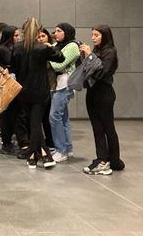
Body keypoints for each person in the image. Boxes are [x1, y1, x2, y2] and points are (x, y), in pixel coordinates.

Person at [11, 18, 64, 169]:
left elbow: (13, 67)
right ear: (38, 31)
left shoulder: (17, 48)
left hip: (23, 91)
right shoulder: (42, 48)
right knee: (35, 124)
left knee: (33, 123)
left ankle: (38, 154)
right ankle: (38, 154)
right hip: (40, 91)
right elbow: (61, 58)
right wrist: (50, 46)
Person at [80, 25, 124, 175]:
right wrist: (85, 56)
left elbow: (101, 73)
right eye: (92, 35)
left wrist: (90, 55)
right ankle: (103, 159)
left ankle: (113, 160)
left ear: (104, 36)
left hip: (104, 94)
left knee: (108, 127)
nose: (93, 38)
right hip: (92, 93)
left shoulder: (110, 51)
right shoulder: (97, 51)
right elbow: (85, 71)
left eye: (96, 35)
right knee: (97, 128)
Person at [49, 23, 80, 163]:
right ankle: (67, 148)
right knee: (63, 118)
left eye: (59, 31)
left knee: (54, 116)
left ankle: (61, 150)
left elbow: (58, 65)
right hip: (58, 84)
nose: (56, 33)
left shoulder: (72, 46)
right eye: (55, 31)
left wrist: (47, 56)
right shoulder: (58, 45)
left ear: (67, 32)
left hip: (65, 84)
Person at [0, 26, 19, 156]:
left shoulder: (10, 48)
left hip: (12, 83)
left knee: (13, 114)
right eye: (15, 36)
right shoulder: (4, 49)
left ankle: (9, 140)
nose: (18, 38)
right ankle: (6, 142)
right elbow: (12, 62)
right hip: (6, 84)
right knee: (7, 115)